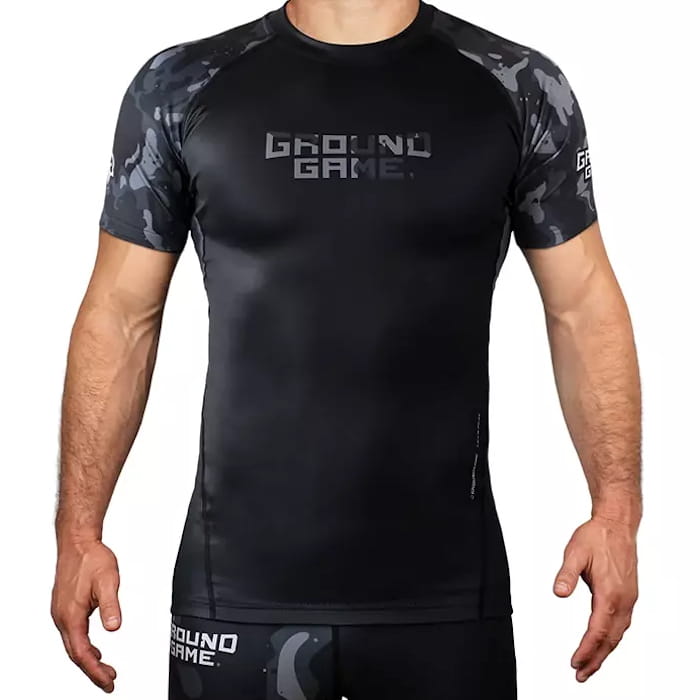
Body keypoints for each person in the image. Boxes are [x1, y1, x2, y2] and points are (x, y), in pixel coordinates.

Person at [51, 1, 642, 698]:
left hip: (446, 602)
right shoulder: (181, 85)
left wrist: (616, 514)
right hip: (237, 596)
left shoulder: (517, 85)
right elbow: (121, 315)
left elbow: (582, 307)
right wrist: (78, 532)